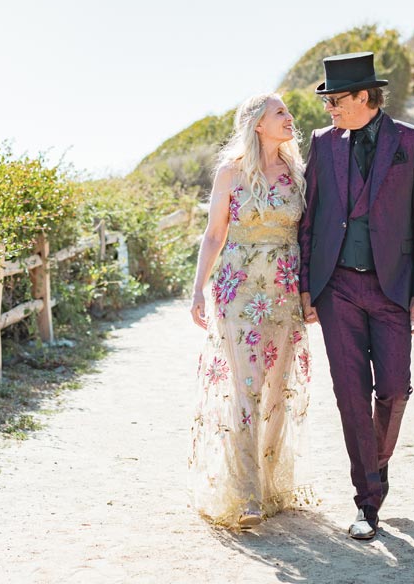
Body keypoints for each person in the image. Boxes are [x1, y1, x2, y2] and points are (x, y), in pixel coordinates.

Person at [298, 51, 414, 540]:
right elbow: (309, 218)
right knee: (350, 396)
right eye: (327, 101)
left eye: (336, 100)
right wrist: (305, 287)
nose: (329, 109)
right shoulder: (322, 144)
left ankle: (375, 466)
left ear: (365, 97)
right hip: (337, 287)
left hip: (393, 288)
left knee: (395, 389)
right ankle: (367, 501)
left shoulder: (413, 142)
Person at [188, 92, 312, 529]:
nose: (289, 117)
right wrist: (198, 289)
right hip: (238, 290)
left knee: (278, 391)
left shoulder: (299, 174)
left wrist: (308, 294)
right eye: (280, 112)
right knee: (245, 388)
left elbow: (309, 238)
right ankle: (246, 495)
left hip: (284, 290)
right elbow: (213, 234)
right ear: (258, 123)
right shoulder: (231, 172)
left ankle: (270, 484)